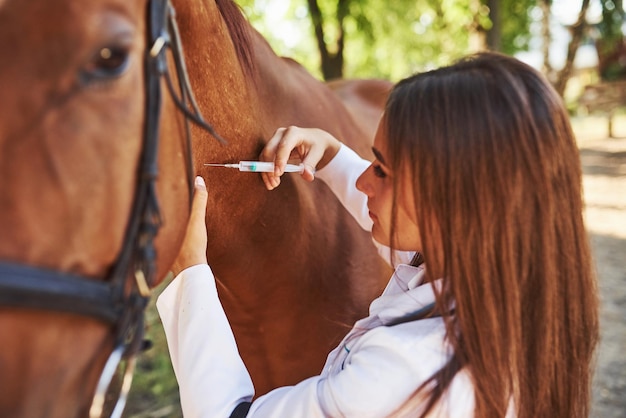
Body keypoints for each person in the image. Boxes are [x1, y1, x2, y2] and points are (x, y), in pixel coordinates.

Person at [156, 52, 599, 417]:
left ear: (454, 203)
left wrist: (191, 272)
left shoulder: (404, 370)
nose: (366, 181)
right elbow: (402, 243)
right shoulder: (511, 290)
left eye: (382, 170)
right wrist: (330, 156)